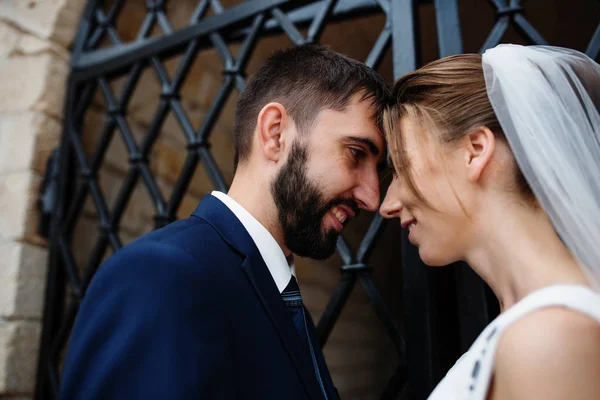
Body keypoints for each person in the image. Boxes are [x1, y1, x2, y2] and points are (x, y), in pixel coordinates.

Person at [59, 44, 389, 400]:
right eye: (356, 153)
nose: (372, 197)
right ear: (276, 133)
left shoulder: (280, 296)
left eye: (378, 171)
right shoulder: (161, 276)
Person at [380, 44, 600, 400]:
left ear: (476, 151)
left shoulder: (552, 338)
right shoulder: (524, 329)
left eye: (401, 166)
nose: (387, 205)